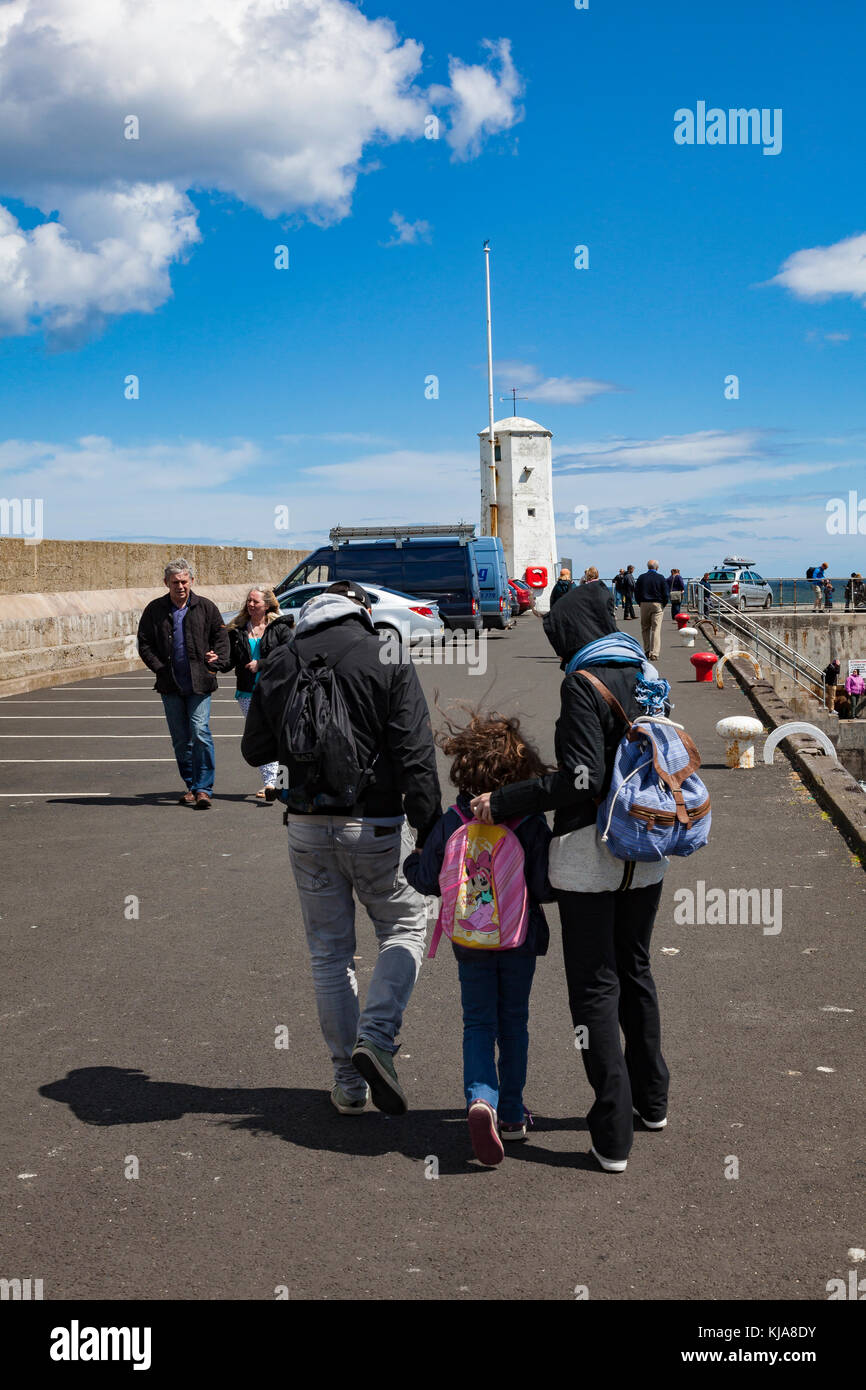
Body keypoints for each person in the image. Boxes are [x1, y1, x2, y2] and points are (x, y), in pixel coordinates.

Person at [470, 582, 672, 1172]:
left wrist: (505, 799)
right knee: (636, 967)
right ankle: (652, 1099)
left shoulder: (583, 683)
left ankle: (612, 1133)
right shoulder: (647, 671)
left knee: (595, 988)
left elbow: (581, 780)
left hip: (592, 851)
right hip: (649, 846)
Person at [240, 580, 442, 1116]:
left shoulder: (282, 660)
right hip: (374, 821)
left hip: (306, 824)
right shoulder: (387, 656)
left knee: (330, 954)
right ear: (362, 612)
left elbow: (254, 748)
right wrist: (430, 830)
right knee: (404, 928)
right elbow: (415, 752)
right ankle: (376, 1036)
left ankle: (347, 1084)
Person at [403, 709, 553, 1167]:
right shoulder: (526, 821)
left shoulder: (453, 818)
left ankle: (480, 1099)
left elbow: (427, 877)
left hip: (470, 941)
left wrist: (415, 854)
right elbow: (546, 884)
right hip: (518, 939)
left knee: (477, 1022)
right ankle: (511, 1111)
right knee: (515, 1022)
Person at [136, 558, 230, 808]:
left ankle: (204, 788)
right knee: (180, 739)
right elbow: (144, 643)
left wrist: (216, 661)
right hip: (171, 685)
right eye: (175, 582)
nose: (180, 586)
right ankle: (192, 784)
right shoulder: (155, 609)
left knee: (200, 732)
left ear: (192, 582)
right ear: (166, 583)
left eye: (184, 581)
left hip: (200, 683)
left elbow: (221, 637)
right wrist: (159, 668)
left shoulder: (206, 607)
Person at [227, 588, 293, 801]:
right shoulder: (238, 630)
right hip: (247, 692)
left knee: (280, 737)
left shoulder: (280, 628)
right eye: (248, 601)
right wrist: (213, 659)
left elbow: (290, 656)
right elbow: (229, 661)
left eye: (255, 601)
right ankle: (270, 783)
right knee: (261, 737)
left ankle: (280, 783)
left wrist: (262, 663)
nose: (250, 604)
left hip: (275, 691)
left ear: (267, 605)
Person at [634, 560, 669, 663]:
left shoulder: (641, 577)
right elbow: (665, 593)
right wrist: (663, 604)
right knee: (656, 629)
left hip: (644, 603)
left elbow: (636, 592)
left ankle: (646, 650)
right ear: (657, 568)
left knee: (645, 628)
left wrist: (640, 603)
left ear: (647, 567)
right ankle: (654, 653)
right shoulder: (661, 577)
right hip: (657, 604)